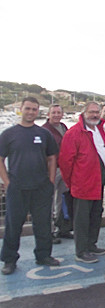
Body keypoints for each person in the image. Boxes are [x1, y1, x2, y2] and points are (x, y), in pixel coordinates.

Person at [0, 97, 59, 275]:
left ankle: (43, 255)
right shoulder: (9, 134)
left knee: (42, 225)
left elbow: (52, 158)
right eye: (28, 109)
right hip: (17, 188)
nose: (31, 112)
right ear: (21, 109)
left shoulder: (44, 134)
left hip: (41, 187)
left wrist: (50, 181)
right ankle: (9, 259)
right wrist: (7, 182)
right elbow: (1, 160)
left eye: (34, 109)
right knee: (13, 225)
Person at [59, 102, 105, 263]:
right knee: (81, 219)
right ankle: (81, 251)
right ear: (83, 113)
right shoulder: (74, 133)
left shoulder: (100, 129)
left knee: (96, 215)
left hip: (98, 183)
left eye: (97, 112)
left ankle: (91, 244)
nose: (95, 115)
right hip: (82, 184)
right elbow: (65, 161)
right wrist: (73, 182)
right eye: (91, 112)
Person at [41, 104, 72, 243]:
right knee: (49, 201)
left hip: (65, 169)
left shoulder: (64, 127)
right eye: (53, 112)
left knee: (62, 201)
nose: (56, 115)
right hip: (51, 170)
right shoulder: (44, 130)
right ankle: (49, 231)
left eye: (59, 112)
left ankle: (62, 228)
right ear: (48, 114)